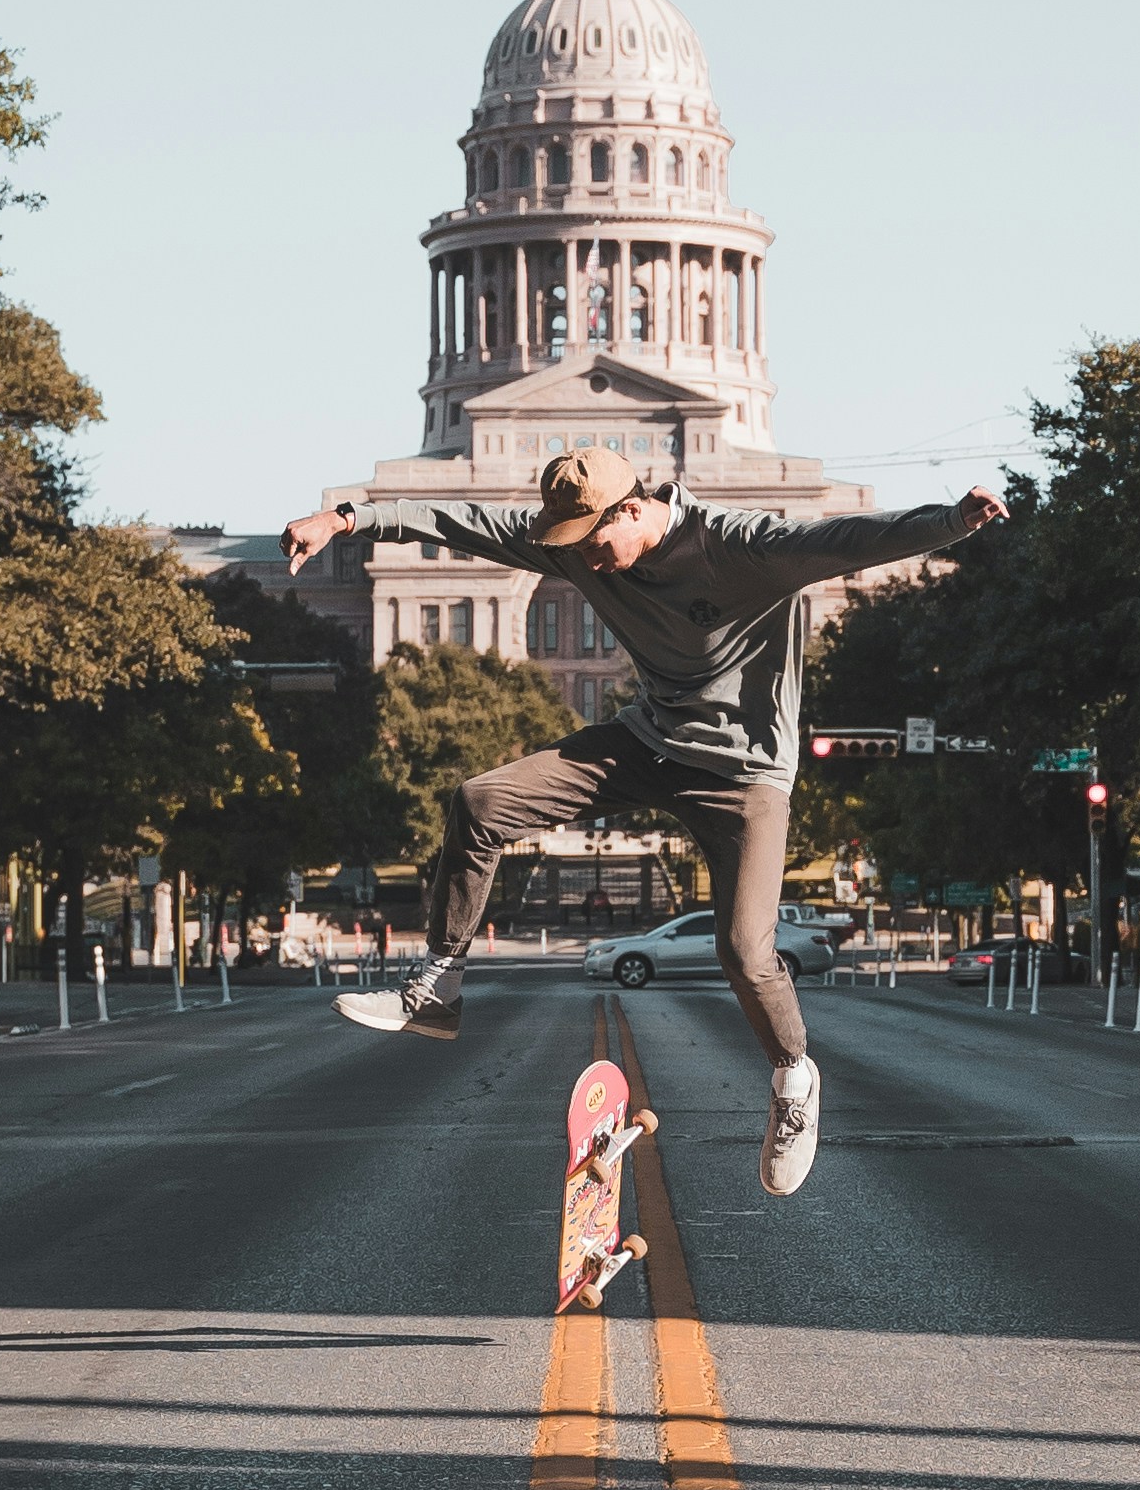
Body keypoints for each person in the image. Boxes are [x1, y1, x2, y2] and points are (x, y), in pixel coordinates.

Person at [279, 450, 1006, 1196]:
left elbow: (850, 538)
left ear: (633, 508)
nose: (587, 564)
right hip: (648, 741)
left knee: (742, 950)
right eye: (571, 551)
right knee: (480, 801)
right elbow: (458, 521)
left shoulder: (739, 545)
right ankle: (436, 986)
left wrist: (950, 521)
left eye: (593, 546)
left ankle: (794, 1080)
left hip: (743, 773)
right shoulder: (582, 543)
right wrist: (342, 519)